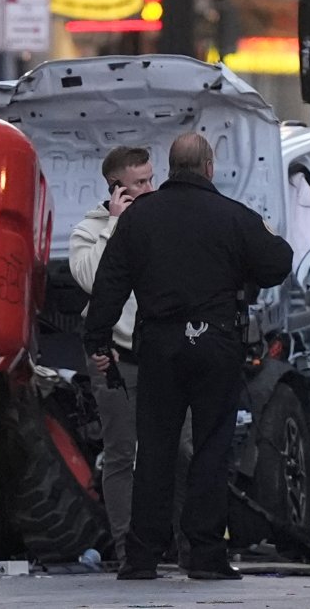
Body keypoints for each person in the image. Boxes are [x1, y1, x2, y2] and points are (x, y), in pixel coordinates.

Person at [84, 132, 293, 581]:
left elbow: (109, 285)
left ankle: (141, 556)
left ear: (171, 167)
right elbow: (279, 262)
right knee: (212, 447)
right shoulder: (234, 217)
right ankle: (205, 554)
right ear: (209, 167)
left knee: (154, 449)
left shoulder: (138, 221)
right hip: (216, 343)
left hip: (159, 346)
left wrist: (97, 342)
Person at [68, 146, 191, 564]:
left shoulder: (162, 222)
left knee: (182, 448)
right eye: (140, 183)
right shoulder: (90, 230)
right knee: (122, 454)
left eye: (151, 179)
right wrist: (117, 226)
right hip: (114, 358)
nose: (150, 188)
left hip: (162, 355)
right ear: (116, 188)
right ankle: (127, 548)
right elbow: (91, 280)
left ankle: (178, 543)